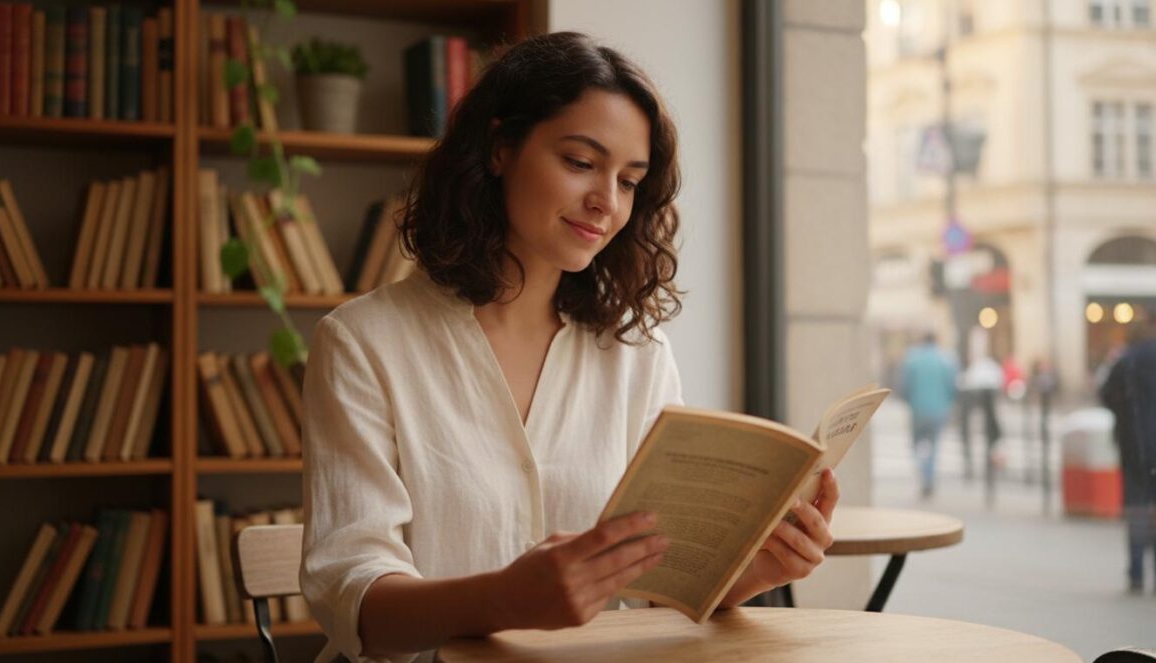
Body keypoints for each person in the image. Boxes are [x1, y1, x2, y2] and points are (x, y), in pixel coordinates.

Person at [299, 32, 840, 663]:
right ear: (500, 147)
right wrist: (505, 598)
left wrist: (752, 573)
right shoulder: (365, 343)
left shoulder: (636, 352)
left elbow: (650, 591)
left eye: (630, 180)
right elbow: (353, 604)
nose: (606, 204)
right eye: (581, 162)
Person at [1099, 312, 1156, 595]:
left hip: (1135, 443)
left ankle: (1135, 572)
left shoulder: (1127, 360)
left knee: (1136, 506)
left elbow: (1106, 395)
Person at [899, 332, 958, 498]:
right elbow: (952, 386)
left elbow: (904, 385)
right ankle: (928, 478)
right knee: (934, 445)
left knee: (917, 445)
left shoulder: (912, 358)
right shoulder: (946, 359)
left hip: (918, 409)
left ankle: (923, 475)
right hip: (939, 410)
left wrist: (909, 400)